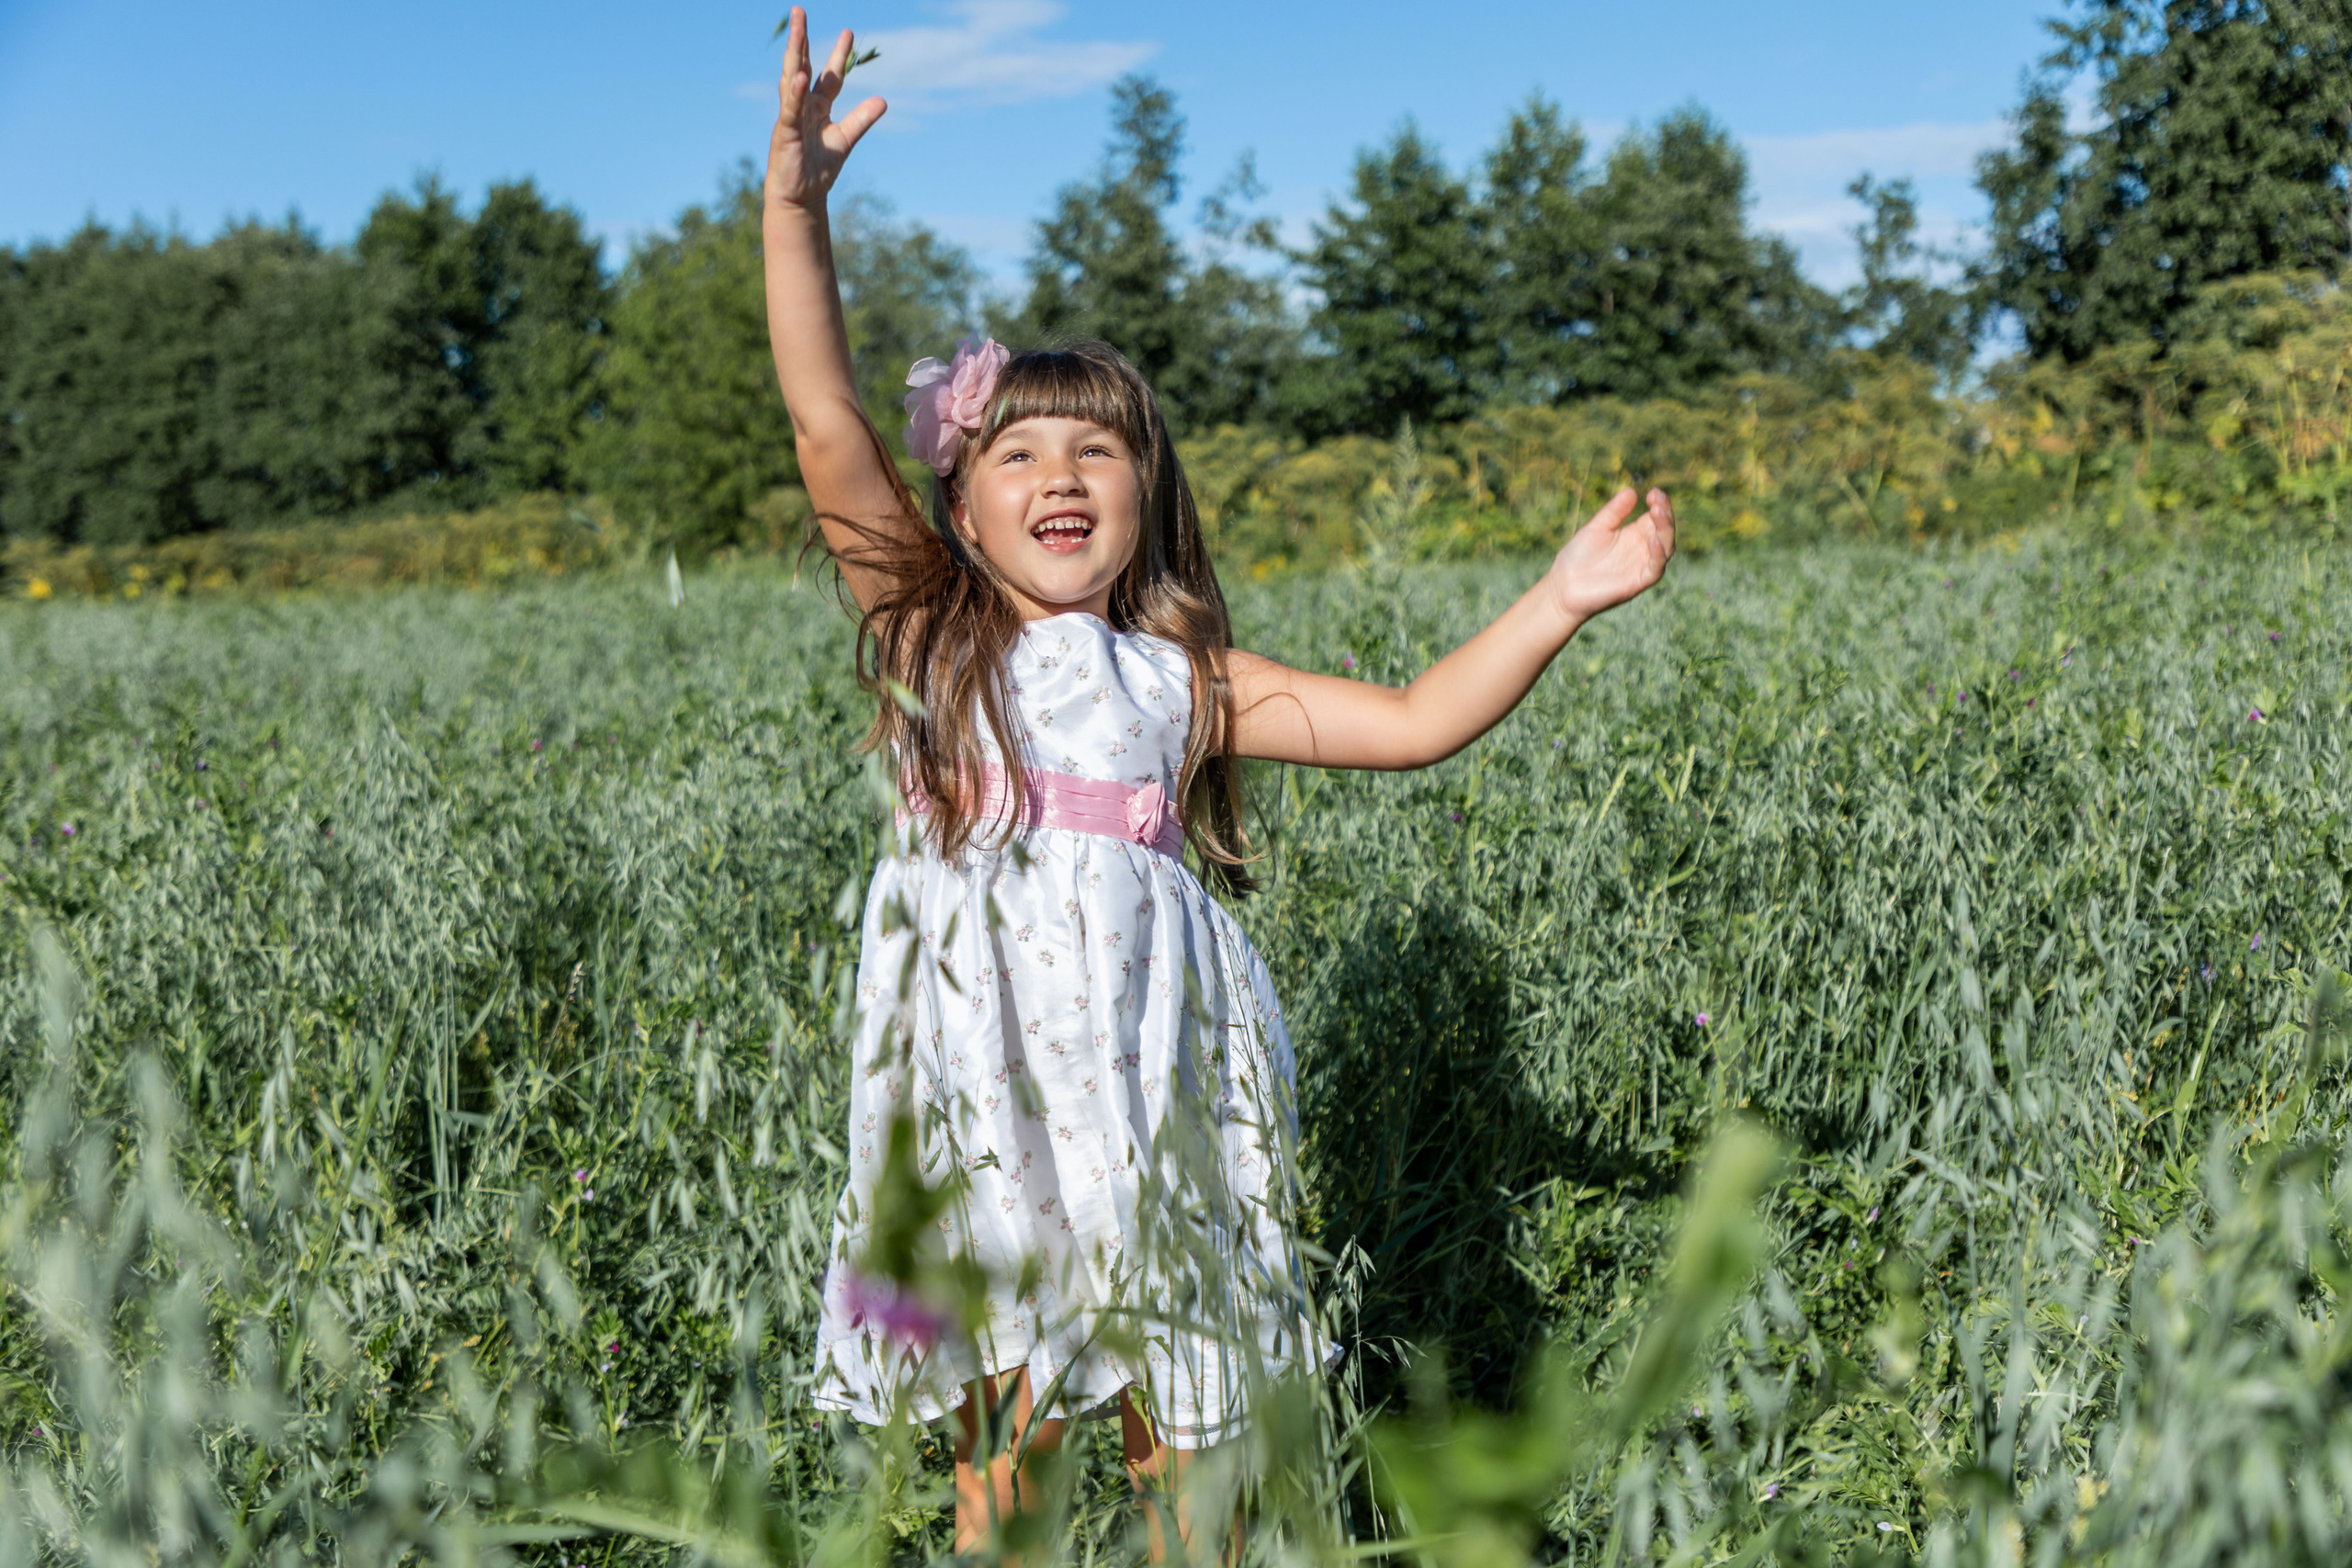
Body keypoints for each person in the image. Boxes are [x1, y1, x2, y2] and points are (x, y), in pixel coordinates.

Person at [762, 9, 1676, 1558]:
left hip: (1158, 1081)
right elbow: (823, 418)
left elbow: (1409, 720)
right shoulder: (934, 630)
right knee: (1004, 1471)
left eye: (1096, 453)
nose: (1059, 476)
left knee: (1192, 1442)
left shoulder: (1187, 686)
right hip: (977, 1093)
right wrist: (793, 206)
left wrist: (1557, 601)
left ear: (1150, 495)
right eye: (1017, 454)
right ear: (961, 512)